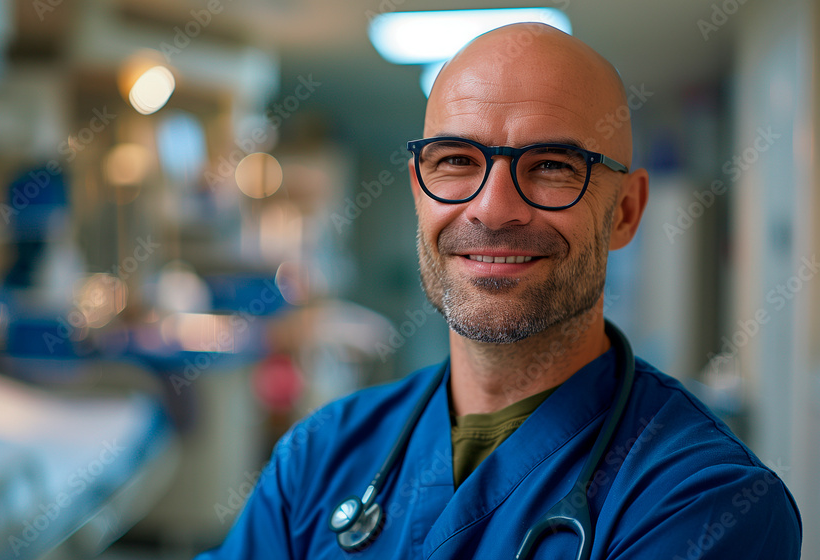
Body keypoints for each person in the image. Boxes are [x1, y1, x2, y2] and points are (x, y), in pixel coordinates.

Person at [195, 23, 802, 559]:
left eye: (552, 166)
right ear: (418, 189)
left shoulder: (704, 502)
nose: (491, 208)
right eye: (456, 160)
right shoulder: (319, 457)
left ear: (625, 212)